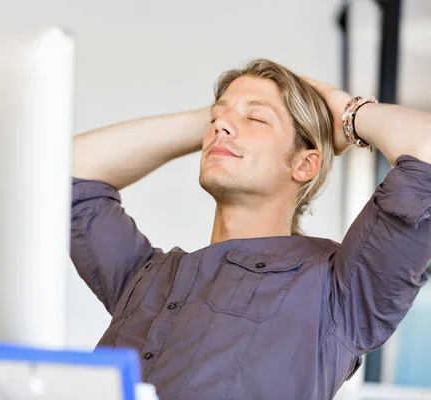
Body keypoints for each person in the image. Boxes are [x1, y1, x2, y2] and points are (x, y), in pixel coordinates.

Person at [69, 59, 431, 400]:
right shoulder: (146, 278)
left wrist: (349, 114)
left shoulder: (341, 288)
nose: (220, 127)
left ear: (305, 164)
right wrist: (220, 122)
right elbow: (63, 173)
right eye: (215, 119)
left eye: (257, 118)